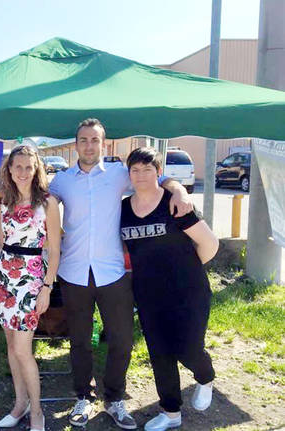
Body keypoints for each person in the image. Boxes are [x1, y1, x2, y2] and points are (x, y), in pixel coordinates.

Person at [47, 118, 193, 429]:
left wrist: (179, 190)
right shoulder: (61, 180)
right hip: (73, 273)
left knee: (123, 340)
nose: (89, 146)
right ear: (76, 145)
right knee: (80, 340)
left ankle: (114, 398)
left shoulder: (118, 175)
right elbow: (36, 198)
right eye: (84, 140)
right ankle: (83, 397)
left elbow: (159, 178)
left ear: (104, 144)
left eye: (95, 140)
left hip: (113, 272)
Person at [120, 147, 218, 431]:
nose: (140, 176)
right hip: (149, 295)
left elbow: (210, 244)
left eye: (147, 170)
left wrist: (185, 268)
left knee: (188, 349)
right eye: (135, 170)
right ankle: (171, 412)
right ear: (129, 174)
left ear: (158, 172)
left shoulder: (174, 204)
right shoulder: (124, 209)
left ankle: (205, 376)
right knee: (160, 354)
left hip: (188, 290)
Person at [0, 144, 60, 431]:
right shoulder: (3, 200)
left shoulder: (48, 203)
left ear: (36, 168)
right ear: (9, 170)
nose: (23, 172)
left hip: (31, 279)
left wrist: (47, 287)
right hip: (4, 278)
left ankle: (37, 412)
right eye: (18, 167)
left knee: (24, 350)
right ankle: (19, 404)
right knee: (12, 347)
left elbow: (55, 250)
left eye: (29, 166)